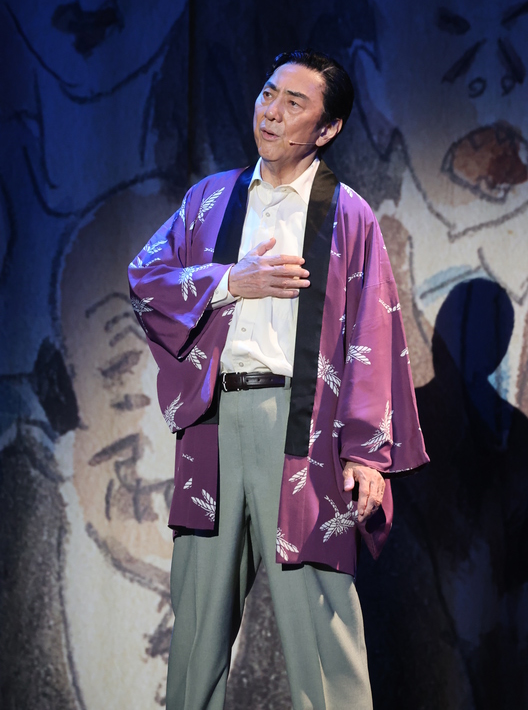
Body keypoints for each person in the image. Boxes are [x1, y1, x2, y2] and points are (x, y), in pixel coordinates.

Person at [129, 49, 429, 710]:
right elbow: (145, 279)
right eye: (269, 93)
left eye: (295, 102)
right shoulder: (210, 200)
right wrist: (228, 282)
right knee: (197, 630)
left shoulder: (348, 215)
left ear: (328, 128)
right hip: (214, 422)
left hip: (303, 429)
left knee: (321, 629)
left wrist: (366, 453)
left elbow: (373, 335)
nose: (272, 111)